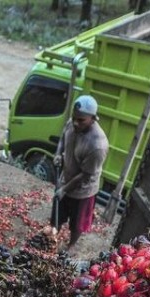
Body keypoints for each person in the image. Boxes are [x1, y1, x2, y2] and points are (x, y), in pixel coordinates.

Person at [51, 95, 109, 252]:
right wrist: (58, 153)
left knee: (77, 224)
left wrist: (64, 190)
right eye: (74, 118)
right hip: (66, 178)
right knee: (57, 214)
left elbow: (86, 175)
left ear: (93, 118)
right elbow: (63, 137)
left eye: (81, 120)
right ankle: (51, 238)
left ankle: (70, 246)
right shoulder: (73, 123)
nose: (76, 123)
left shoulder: (97, 145)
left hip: (83, 191)